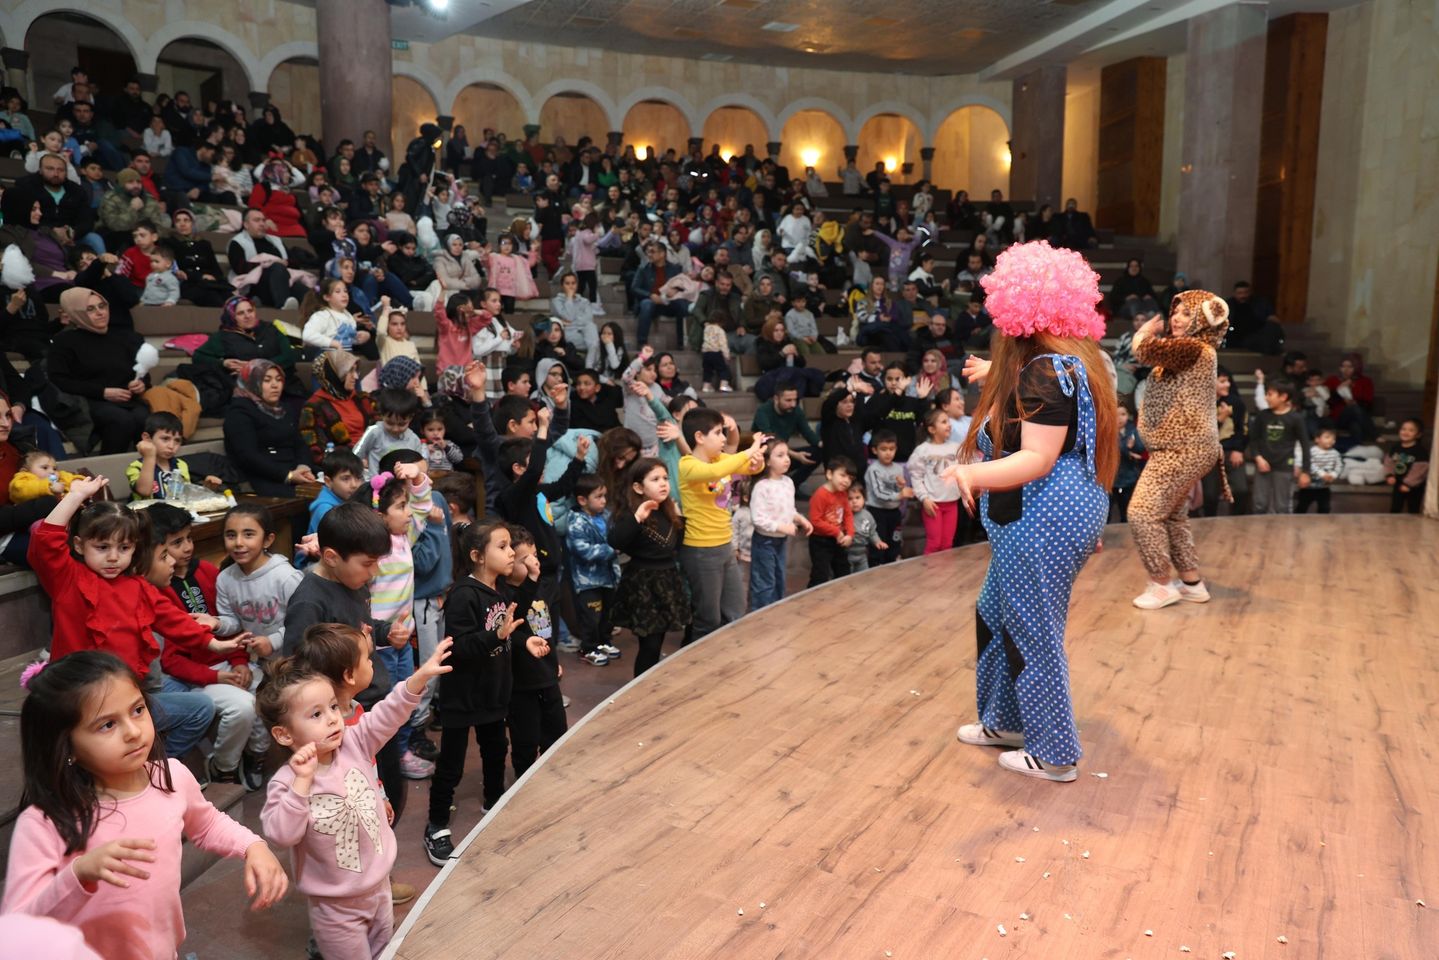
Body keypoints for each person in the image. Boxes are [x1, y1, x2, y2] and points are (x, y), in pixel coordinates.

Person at [948, 241, 1117, 783]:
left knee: (1032, 631)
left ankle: (1054, 752)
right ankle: (1005, 719)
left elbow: (1037, 458)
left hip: (1038, 521)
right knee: (995, 614)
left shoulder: (1045, 373)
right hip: (1053, 518)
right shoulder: (1075, 363)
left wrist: (969, 473)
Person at [5, 651, 287, 960]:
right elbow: (18, 926)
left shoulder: (172, 776)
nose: (133, 731)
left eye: (137, 710)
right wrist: (78, 874)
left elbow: (207, 823)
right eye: (107, 725)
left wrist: (252, 845)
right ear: (66, 746)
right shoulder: (45, 822)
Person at [260, 633, 451, 958]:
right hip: (335, 907)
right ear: (284, 733)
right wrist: (302, 785)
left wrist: (417, 680)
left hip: (379, 889)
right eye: (316, 714)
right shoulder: (286, 782)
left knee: (383, 950)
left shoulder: (353, 742)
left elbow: (387, 715)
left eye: (333, 706)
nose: (334, 717)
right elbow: (281, 833)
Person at [26, 478, 230, 760]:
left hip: (126, 696)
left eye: (124, 548)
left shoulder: (138, 586)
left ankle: (150, 768)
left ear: (135, 548)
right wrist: (74, 497)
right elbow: (46, 540)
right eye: (102, 547)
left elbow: (173, 619)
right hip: (80, 698)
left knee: (200, 708)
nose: (113, 558)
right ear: (80, 545)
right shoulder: (68, 578)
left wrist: (212, 644)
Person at [423, 523, 536, 865]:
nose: (511, 552)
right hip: (463, 696)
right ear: (477, 556)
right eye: (502, 547)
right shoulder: (464, 595)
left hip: (493, 691)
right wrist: (496, 637)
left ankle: (493, 801)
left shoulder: (499, 588)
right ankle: (437, 824)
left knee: (495, 749)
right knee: (452, 764)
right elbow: (460, 646)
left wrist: (521, 636)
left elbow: (511, 624)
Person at [1125, 291, 1231, 609]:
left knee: (1142, 513)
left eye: (1187, 313)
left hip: (1181, 448)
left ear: (1202, 321)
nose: (1177, 318)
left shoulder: (1194, 348)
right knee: (1172, 517)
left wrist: (1145, 331)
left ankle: (1161, 584)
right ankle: (1191, 583)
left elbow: (1144, 349)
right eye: (1177, 312)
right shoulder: (1190, 351)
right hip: (1183, 448)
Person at [609, 458, 691, 676]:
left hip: (668, 579)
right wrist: (637, 517)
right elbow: (616, 541)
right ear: (638, 487)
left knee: (658, 640)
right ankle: (640, 690)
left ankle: (649, 682)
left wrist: (679, 514)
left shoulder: (668, 510)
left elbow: (676, 545)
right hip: (644, 583)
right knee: (650, 644)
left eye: (665, 478)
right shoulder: (633, 514)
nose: (663, 483)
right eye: (655, 479)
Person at [47, 287, 149, 454]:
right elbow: (59, 380)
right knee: (121, 421)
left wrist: (141, 383)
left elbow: (142, 369)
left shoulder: (123, 337)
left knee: (145, 419)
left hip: (127, 399)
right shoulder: (64, 341)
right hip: (89, 401)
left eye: (102, 306)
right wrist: (103, 392)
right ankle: (108, 473)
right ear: (75, 313)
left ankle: (146, 472)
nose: (100, 312)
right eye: (90, 309)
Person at [503, 525, 569, 777]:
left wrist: (556, 661)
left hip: (547, 673)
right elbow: (515, 620)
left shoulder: (547, 586)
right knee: (526, 739)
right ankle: (524, 782)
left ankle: (553, 777)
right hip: (521, 682)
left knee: (557, 732)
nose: (533, 564)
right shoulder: (505, 593)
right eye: (524, 560)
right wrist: (530, 580)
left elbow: (550, 626)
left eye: (534, 557)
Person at [222, 360, 316, 496]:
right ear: (252, 383)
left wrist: (304, 467)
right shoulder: (239, 412)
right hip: (261, 478)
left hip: (295, 472)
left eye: (279, 380)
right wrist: (288, 475)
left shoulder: (285, 409)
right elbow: (248, 456)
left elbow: (299, 443)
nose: (275, 385)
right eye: (267, 380)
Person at [748, 440, 814, 610]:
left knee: (779, 580)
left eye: (787, 454)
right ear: (768, 461)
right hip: (765, 542)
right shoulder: (762, 487)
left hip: (781, 541)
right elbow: (758, 518)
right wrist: (781, 527)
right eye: (780, 455)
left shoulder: (788, 482)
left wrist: (800, 519)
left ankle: (775, 614)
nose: (786, 459)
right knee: (764, 583)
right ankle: (759, 617)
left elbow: (788, 510)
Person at [567, 474, 623, 667]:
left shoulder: (606, 516)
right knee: (591, 617)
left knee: (607, 614)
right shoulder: (576, 522)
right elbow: (583, 550)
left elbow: (616, 535)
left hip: (608, 576)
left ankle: (604, 642)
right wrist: (612, 549)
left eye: (604, 496)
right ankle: (588, 648)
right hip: (587, 581)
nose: (604, 501)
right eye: (598, 497)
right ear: (582, 500)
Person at [1247, 378, 1311, 515]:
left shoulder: (1295, 418)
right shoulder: (1263, 416)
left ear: (1283, 397)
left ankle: (1282, 535)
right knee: (1259, 504)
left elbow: (1305, 444)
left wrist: (1306, 471)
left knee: (1282, 506)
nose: (1266, 397)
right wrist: (1258, 458)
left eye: (1270, 394)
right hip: (1263, 465)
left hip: (1284, 466)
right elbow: (1253, 439)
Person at [909, 408, 962, 555]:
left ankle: (944, 577)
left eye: (948, 421)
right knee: (934, 543)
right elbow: (916, 476)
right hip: (933, 504)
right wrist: (924, 499)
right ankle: (930, 576)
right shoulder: (923, 450)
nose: (949, 425)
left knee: (947, 544)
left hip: (952, 504)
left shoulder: (955, 448)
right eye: (944, 422)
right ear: (932, 429)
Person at [806, 456, 856, 586]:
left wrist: (850, 534)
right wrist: (837, 532)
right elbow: (815, 520)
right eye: (843, 475)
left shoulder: (843, 494)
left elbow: (848, 515)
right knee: (820, 574)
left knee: (843, 570)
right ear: (829, 474)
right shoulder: (820, 495)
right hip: (820, 541)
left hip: (837, 539)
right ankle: (812, 599)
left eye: (850, 478)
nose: (846, 481)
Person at [353, 388, 423, 476]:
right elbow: (355, 456)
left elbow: (420, 466)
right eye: (390, 423)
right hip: (376, 484)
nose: (395, 429)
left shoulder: (414, 440)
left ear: (410, 418)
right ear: (382, 415)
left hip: (403, 486)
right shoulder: (374, 432)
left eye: (401, 424)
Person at [1384, 418, 1428, 514]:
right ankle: (1392, 525)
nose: (1406, 432)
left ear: (1418, 434)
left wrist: (1408, 484)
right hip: (1398, 482)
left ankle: (1413, 526)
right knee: (1395, 507)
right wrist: (1390, 475)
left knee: (1413, 508)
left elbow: (1419, 470)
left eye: (1411, 430)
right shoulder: (1395, 447)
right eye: (1403, 429)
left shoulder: (1420, 451)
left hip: (1415, 485)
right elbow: (1389, 462)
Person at [1111, 403, 1146, 522]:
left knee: (1129, 510)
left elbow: (1141, 448)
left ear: (1128, 416)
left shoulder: (1133, 430)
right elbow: (1113, 449)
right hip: (1113, 479)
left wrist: (1131, 447)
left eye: (1123, 414)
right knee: (1111, 510)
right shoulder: (1109, 431)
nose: (1119, 418)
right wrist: (1127, 450)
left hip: (1131, 477)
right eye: (1115, 415)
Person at [1296, 427, 1342, 514]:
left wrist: (1333, 474)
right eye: (1327, 437)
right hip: (1308, 486)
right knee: (1302, 507)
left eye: (1333, 439)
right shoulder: (1311, 451)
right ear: (1317, 439)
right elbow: (1309, 464)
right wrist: (1321, 474)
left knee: (1325, 508)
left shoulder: (1335, 453)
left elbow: (1339, 466)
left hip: (1324, 487)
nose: (1331, 440)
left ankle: (1323, 525)